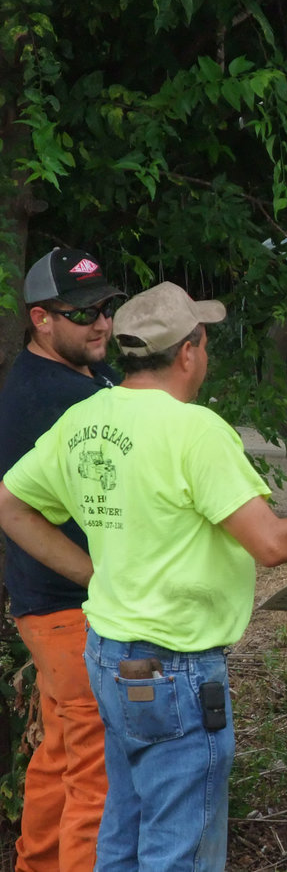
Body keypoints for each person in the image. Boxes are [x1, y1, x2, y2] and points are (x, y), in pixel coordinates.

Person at [0, 281, 287, 871]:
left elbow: (10, 506)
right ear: (190, 351)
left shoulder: (85, 418)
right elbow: (270, 544)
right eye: (203, 339)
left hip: (107, 653)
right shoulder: (195, 431)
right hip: (175, 668)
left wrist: (95, 575)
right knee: (180, 851)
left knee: (121, 830)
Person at [0, 247, 124, 872]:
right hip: (66, 609)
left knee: (60, 754)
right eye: (83, 314)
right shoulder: (44, 397)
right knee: (97, 780)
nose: (101, 323)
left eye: (106, 307)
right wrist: (99, 578)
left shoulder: (85, 376)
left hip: (58, 612)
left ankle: (36, 862)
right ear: (41, 319)